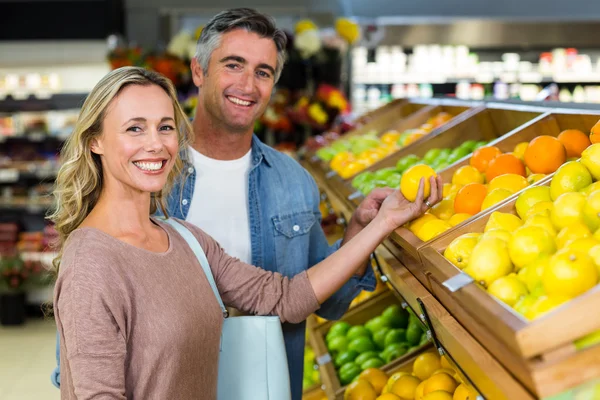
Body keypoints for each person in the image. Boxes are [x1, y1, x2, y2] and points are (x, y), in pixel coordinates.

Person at [50, 8, 431, 398]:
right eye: (135, 128)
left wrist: (377, 226)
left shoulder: (185, 238)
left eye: (165, 127)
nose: (155, 143)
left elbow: (289, 297)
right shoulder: (92, 259)